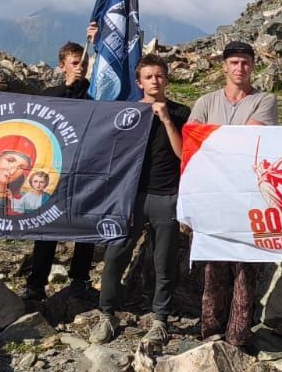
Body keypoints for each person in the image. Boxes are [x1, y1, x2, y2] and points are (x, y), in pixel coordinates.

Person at [92, 55, 189, 348]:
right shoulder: (128, 113)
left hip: (166, 195)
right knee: (115, 255)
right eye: (149, 77)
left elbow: (183, 154)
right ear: (139, 82)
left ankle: (160, 319)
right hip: (131, 196)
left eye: (159, 76)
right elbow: (114, 155)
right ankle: (106, 314)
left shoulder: (181, 112)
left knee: (164, 260)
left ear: (166, 79)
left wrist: (166, 120)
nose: (155, 81)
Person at [189, 41, 279, 344]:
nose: (240, 68)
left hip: (248, 194)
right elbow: (193, 141)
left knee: (245, 263)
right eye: (234, 63)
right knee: (214, 261)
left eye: (245, 62)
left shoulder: (265, 100)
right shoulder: (205, 101)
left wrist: (211, 139)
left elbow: (248, 138)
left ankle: (238, 334)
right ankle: (212, 329)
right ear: (224, 66)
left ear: (253, 66)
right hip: (213, 194)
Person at [23, 39, 97, 301]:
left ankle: (80, 278)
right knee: (48, 228)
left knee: (85, 226)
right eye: (76, 63)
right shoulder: (51, 94)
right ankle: (36, 283)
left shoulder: (95, 96)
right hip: (54, 172)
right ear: (62, 65)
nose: (81, 68)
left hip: (84, 171)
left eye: (85, 63)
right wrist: (67, 88)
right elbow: (40, 109)